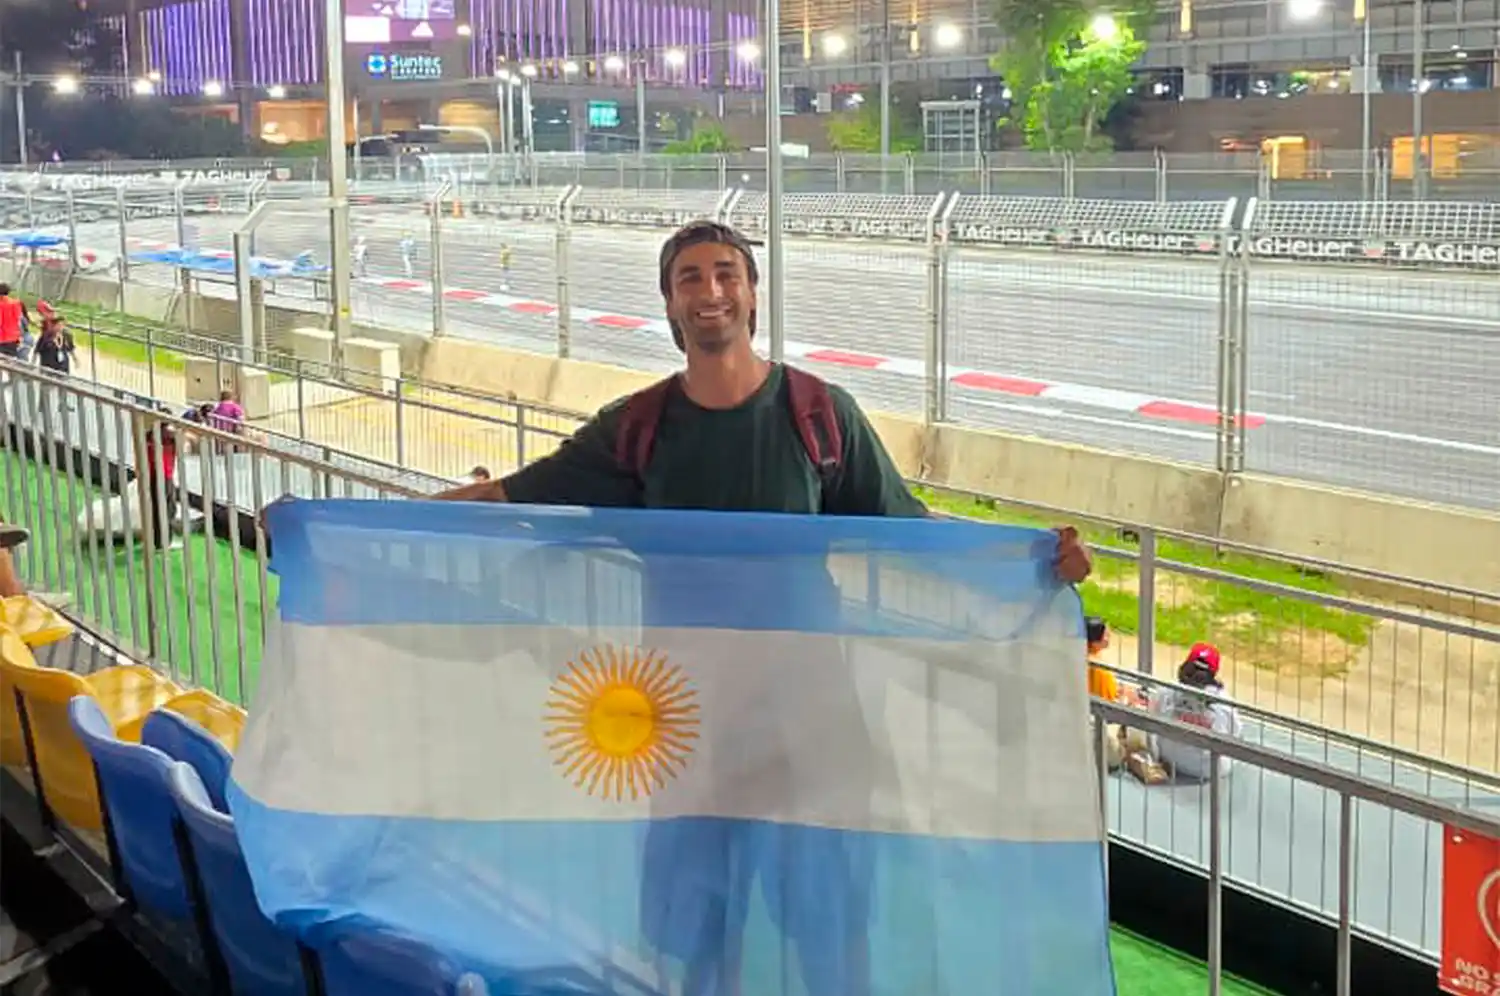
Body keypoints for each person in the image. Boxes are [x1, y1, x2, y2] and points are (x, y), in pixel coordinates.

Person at [415, 221, 1092, 995]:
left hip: (816, 725)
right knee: (698, 936)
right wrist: (355, 523)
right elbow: (508, 495)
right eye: (691, 278)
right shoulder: (637, 430)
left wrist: (1033, 556)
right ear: (670, 305)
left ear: (753, 294)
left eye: (727, 274)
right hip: (685, 726)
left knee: (830, 931)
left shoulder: (818, 416)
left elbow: (910, 529)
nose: (711, 292)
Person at [1149, 642, 1243, 781]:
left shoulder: (1167, 690)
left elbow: (1153, 717)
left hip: (1169, 759)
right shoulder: (1226, 703)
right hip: (1209, 771)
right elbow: (1235, 734)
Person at [0, 284, 30, 359]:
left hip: (2, 337)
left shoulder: (1, 305)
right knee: (10, 362)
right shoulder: (16, 303)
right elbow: (19, 320)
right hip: (13, 338)